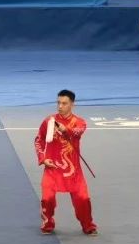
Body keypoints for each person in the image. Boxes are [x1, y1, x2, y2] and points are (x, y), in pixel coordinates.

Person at [33, 90, 98, 236]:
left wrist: (64, 129)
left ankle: (88, 226)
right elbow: (39, 140)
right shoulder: (48, 121)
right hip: (53, 168)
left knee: (83, 199)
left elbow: (77, 132)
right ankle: (48, 224)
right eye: (58, 103)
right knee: (47, 199)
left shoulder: (80, 122)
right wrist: (43, 158)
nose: (60, 106)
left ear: (72, 104)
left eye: (64, 103)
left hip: (73, 170)